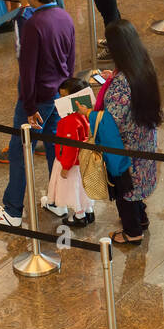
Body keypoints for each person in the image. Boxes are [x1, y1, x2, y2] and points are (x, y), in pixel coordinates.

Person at [0, 0, 75, 226]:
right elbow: (71, 59)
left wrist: (30, 105)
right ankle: (58, 201)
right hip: (59, 92)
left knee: (20, 151)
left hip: (38, 96)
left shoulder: (34, 23)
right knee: (55, 146)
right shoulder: (65, 16)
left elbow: (28, 69)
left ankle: (12, 211)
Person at [97, 20, 163, 247]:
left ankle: (132, 230)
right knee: (138, 185)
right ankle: (141, 217)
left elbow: (111, 121)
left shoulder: (120, 84)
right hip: (144, 138)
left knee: (125, 189)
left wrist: (88, 113)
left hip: (124, 147)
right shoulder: (142, 65)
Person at [44, 77, 95, 228]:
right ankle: (89, 211)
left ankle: (79, 216)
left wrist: (65, 166)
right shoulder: (86, 115)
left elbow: (70, 147)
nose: (60, 100)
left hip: (71, 164)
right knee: (83, 188)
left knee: (73, 191)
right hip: (84, 161)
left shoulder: (68, 121)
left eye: (64, 97)